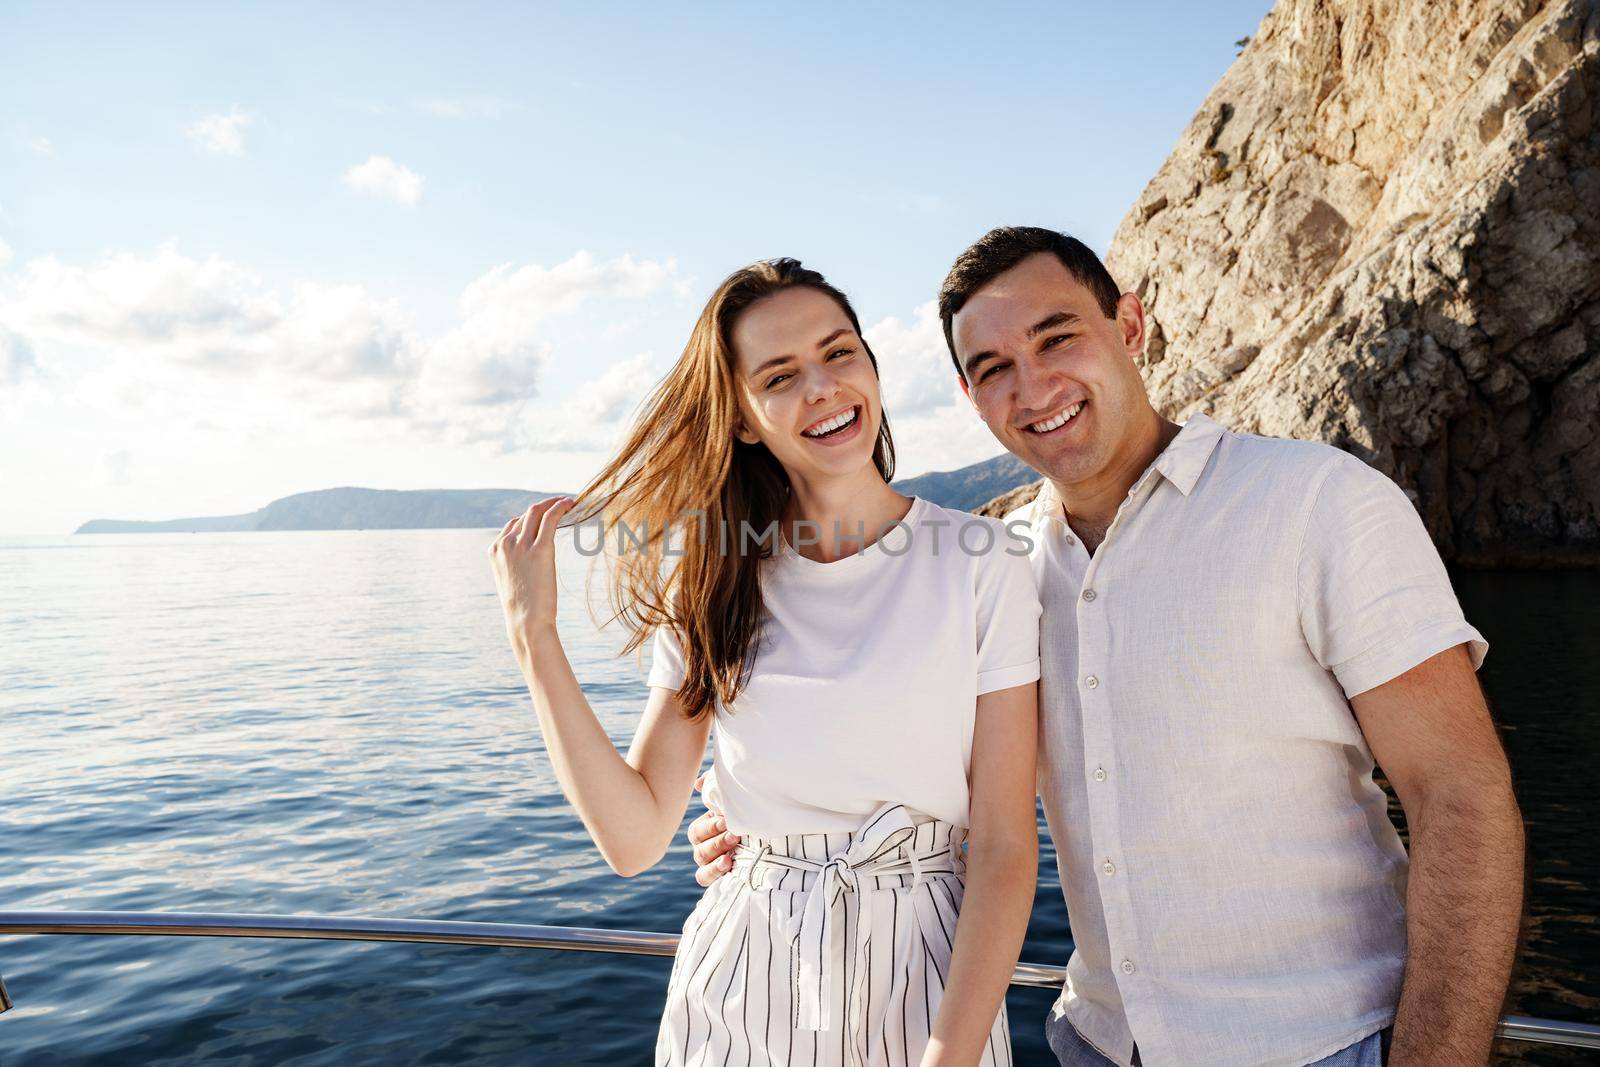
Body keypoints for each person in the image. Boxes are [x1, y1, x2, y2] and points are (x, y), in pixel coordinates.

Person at [690, 229, 1525, 1067]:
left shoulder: (1318, 501)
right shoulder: (999, 570)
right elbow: (929, 779)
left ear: (1129, 326)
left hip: (1318, 1043)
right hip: (1094, 1044)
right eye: (993, 368)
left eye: (1058, 337)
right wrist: (763, 820)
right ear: (970, 398)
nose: (1035, 384)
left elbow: (1461, 797)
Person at [488, 257, 1044, 1066]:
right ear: (744, 418)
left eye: (840, 352)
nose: (822, 386)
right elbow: (636, 836)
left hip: (927, 977)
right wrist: (534, 636)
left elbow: (1003, 846)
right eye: (781, 375)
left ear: (872, 365)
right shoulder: (714, 575)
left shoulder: (981, 560)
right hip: (747, 972)